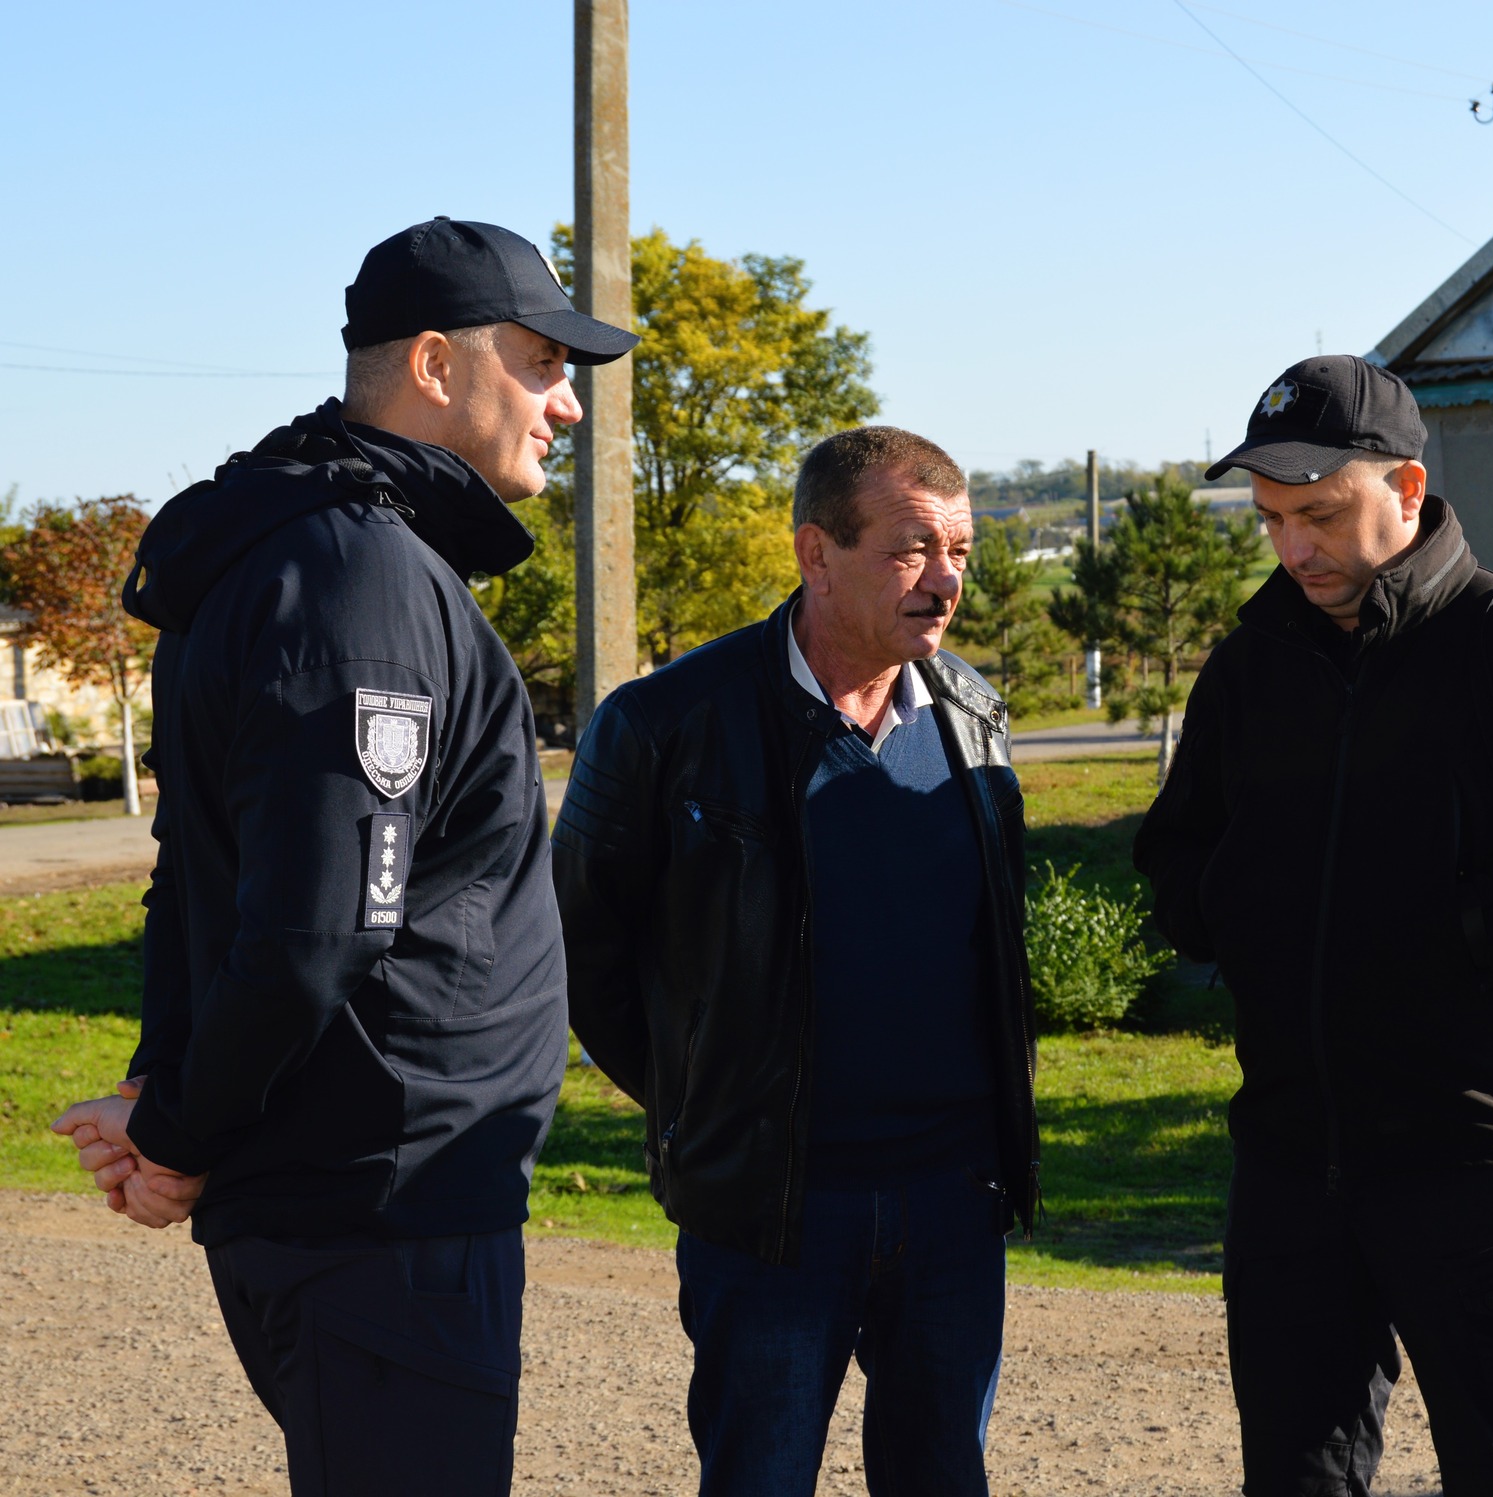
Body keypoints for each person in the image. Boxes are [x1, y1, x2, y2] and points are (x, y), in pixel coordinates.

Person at [50, 217, 637, 1496]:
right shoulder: (357, 575)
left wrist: (163, 1095)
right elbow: (319, 923)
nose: (567, 407)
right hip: (383, 1211)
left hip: (368, 1202)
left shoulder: (319, 550)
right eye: (541, 365)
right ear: (435, 365)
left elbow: (198, 874)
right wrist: (186, 1136)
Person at [1132, 355, 1493, 1497]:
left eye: (1320, 515)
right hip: (1287, 1154)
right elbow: (1173, 859)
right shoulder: (1248, 668)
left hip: (1477, 1161)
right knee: (1296, 1475)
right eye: (1273, 520)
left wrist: (1473, 928)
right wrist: (1245, 908)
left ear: (1408, 489)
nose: (1293, 548)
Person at [551, 424, 1039, 1497]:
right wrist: (707, 1099)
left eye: (960, 549)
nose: (945, 580)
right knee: (757, 1478)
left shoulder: (972, 713)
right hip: (772, 1210)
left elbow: (991, 947)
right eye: (912, 549)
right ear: (815, 554)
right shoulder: (663, 723)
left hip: (952, 1200)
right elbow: (581, 949)